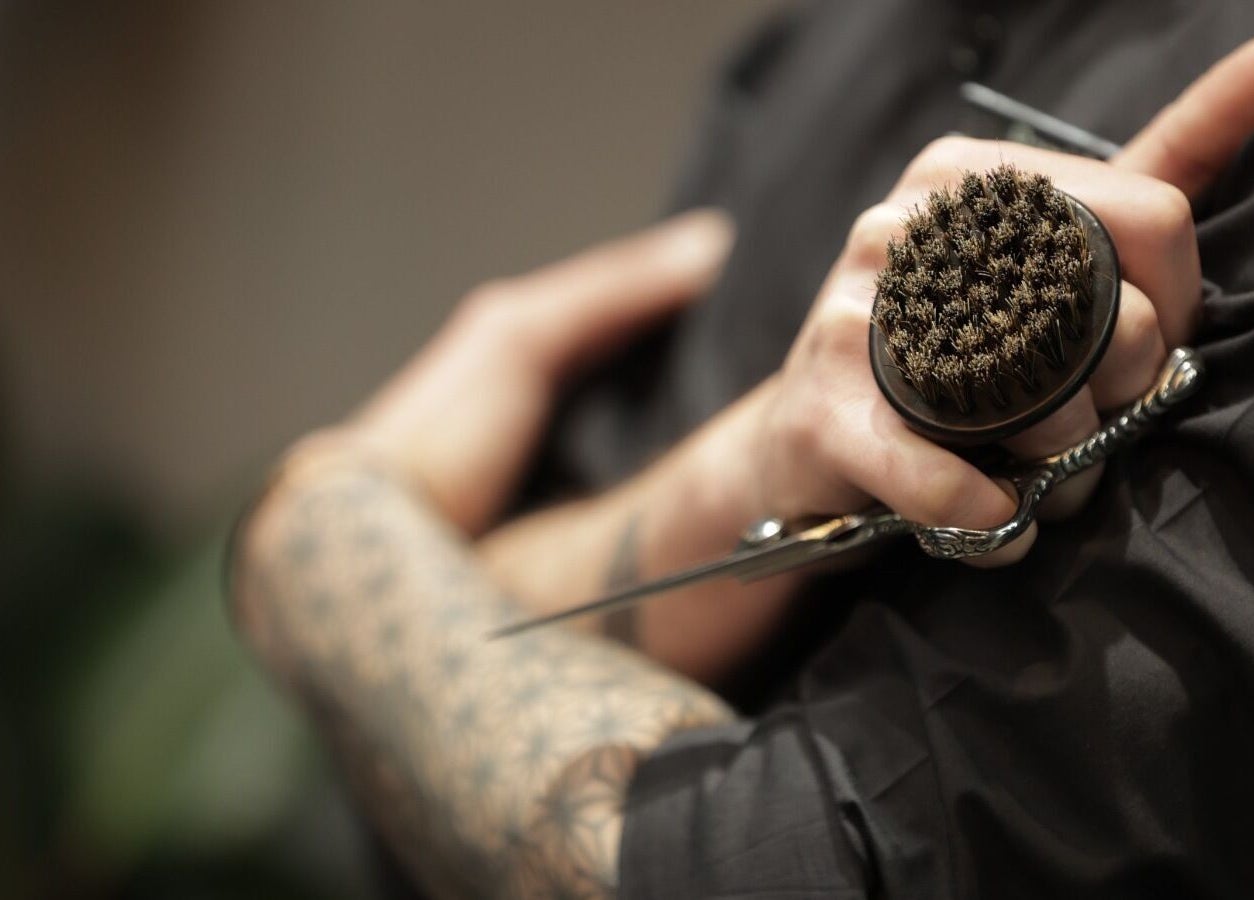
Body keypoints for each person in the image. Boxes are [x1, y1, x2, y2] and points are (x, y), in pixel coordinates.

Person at [230, 3, 1254, 897]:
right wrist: (735, 475)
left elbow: (774, 864)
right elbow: (447, 707)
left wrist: (324, 545)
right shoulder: (808, 55)